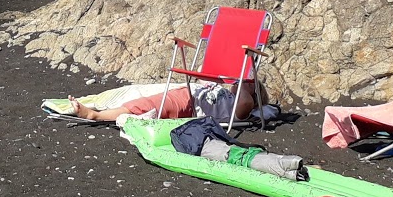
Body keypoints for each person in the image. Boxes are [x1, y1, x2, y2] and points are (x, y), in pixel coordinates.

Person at [67, 82, 261, 123]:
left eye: (251, 84)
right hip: (185, 92)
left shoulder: (241, 107)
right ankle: (101, 107)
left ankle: (94, 115)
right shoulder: (228, 93)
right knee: (142, 99)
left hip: (190, 103)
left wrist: (246, 87)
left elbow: (245, 104)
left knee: (145, 106)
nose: (242, 81)